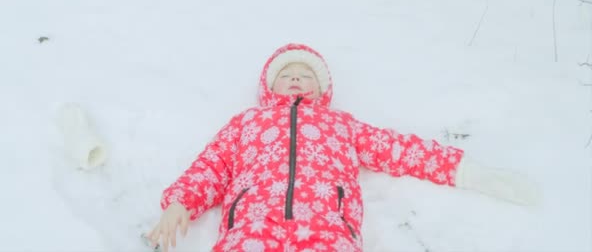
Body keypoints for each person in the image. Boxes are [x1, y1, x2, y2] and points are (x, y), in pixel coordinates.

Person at [146, 43, 540, 252]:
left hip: (327, 228)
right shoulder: (247, 123)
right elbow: (212, 166)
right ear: (269, 87)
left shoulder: (342, 125)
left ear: (322, 89)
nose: (297, 79)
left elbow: (396, 149)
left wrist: (461, 170)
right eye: (288, 75)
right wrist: (180, 203)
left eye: (306, 76)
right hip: (251, 225)